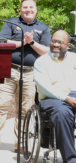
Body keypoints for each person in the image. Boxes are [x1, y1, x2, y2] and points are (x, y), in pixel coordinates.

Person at [0, 0, 51, 154]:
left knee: (25, 110)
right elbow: (3, 42)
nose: (28, 10)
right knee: (1, 107)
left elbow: (47, 51)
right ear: (20, 9)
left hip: (30, 74)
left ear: (36, 9)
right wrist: (23, 42)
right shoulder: (12, 22)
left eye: (31, 7)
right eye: (25, 7)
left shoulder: (43, 27)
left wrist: (32, 42)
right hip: (8, 70)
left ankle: (21, 144)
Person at [34, 30, 76, 163]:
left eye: (60, 42)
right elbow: (46, 87)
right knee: (62, 112)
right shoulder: (41, 62)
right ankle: (71, 160)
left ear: (68, 45)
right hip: (51, 98)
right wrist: (66, 98)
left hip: (73, 94)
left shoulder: (74, 58)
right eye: (53, 41)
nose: (56, 44)